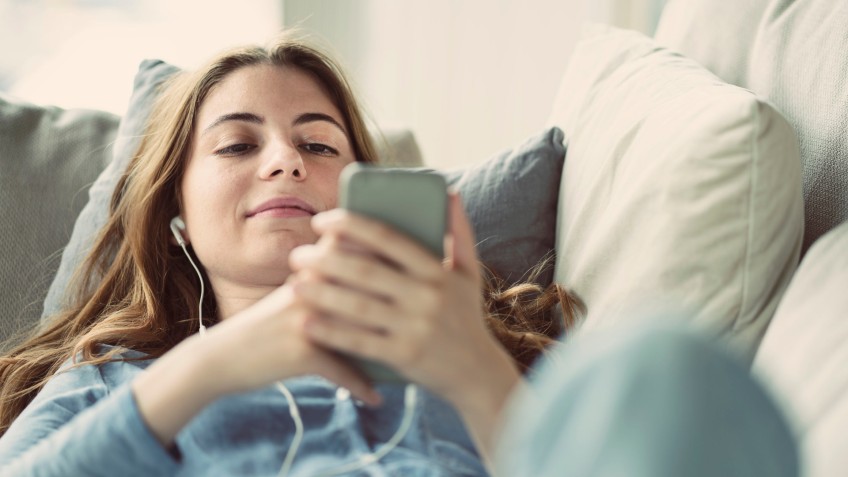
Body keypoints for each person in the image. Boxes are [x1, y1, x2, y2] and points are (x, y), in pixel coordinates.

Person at [0, 31, 799, 477]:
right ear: (176, 211)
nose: (284, 159)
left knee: (667, 366)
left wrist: (473, 369)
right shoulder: (113, 378)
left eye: (317, 142)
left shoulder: (499, 351)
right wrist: (224, 358)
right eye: (238, 144)